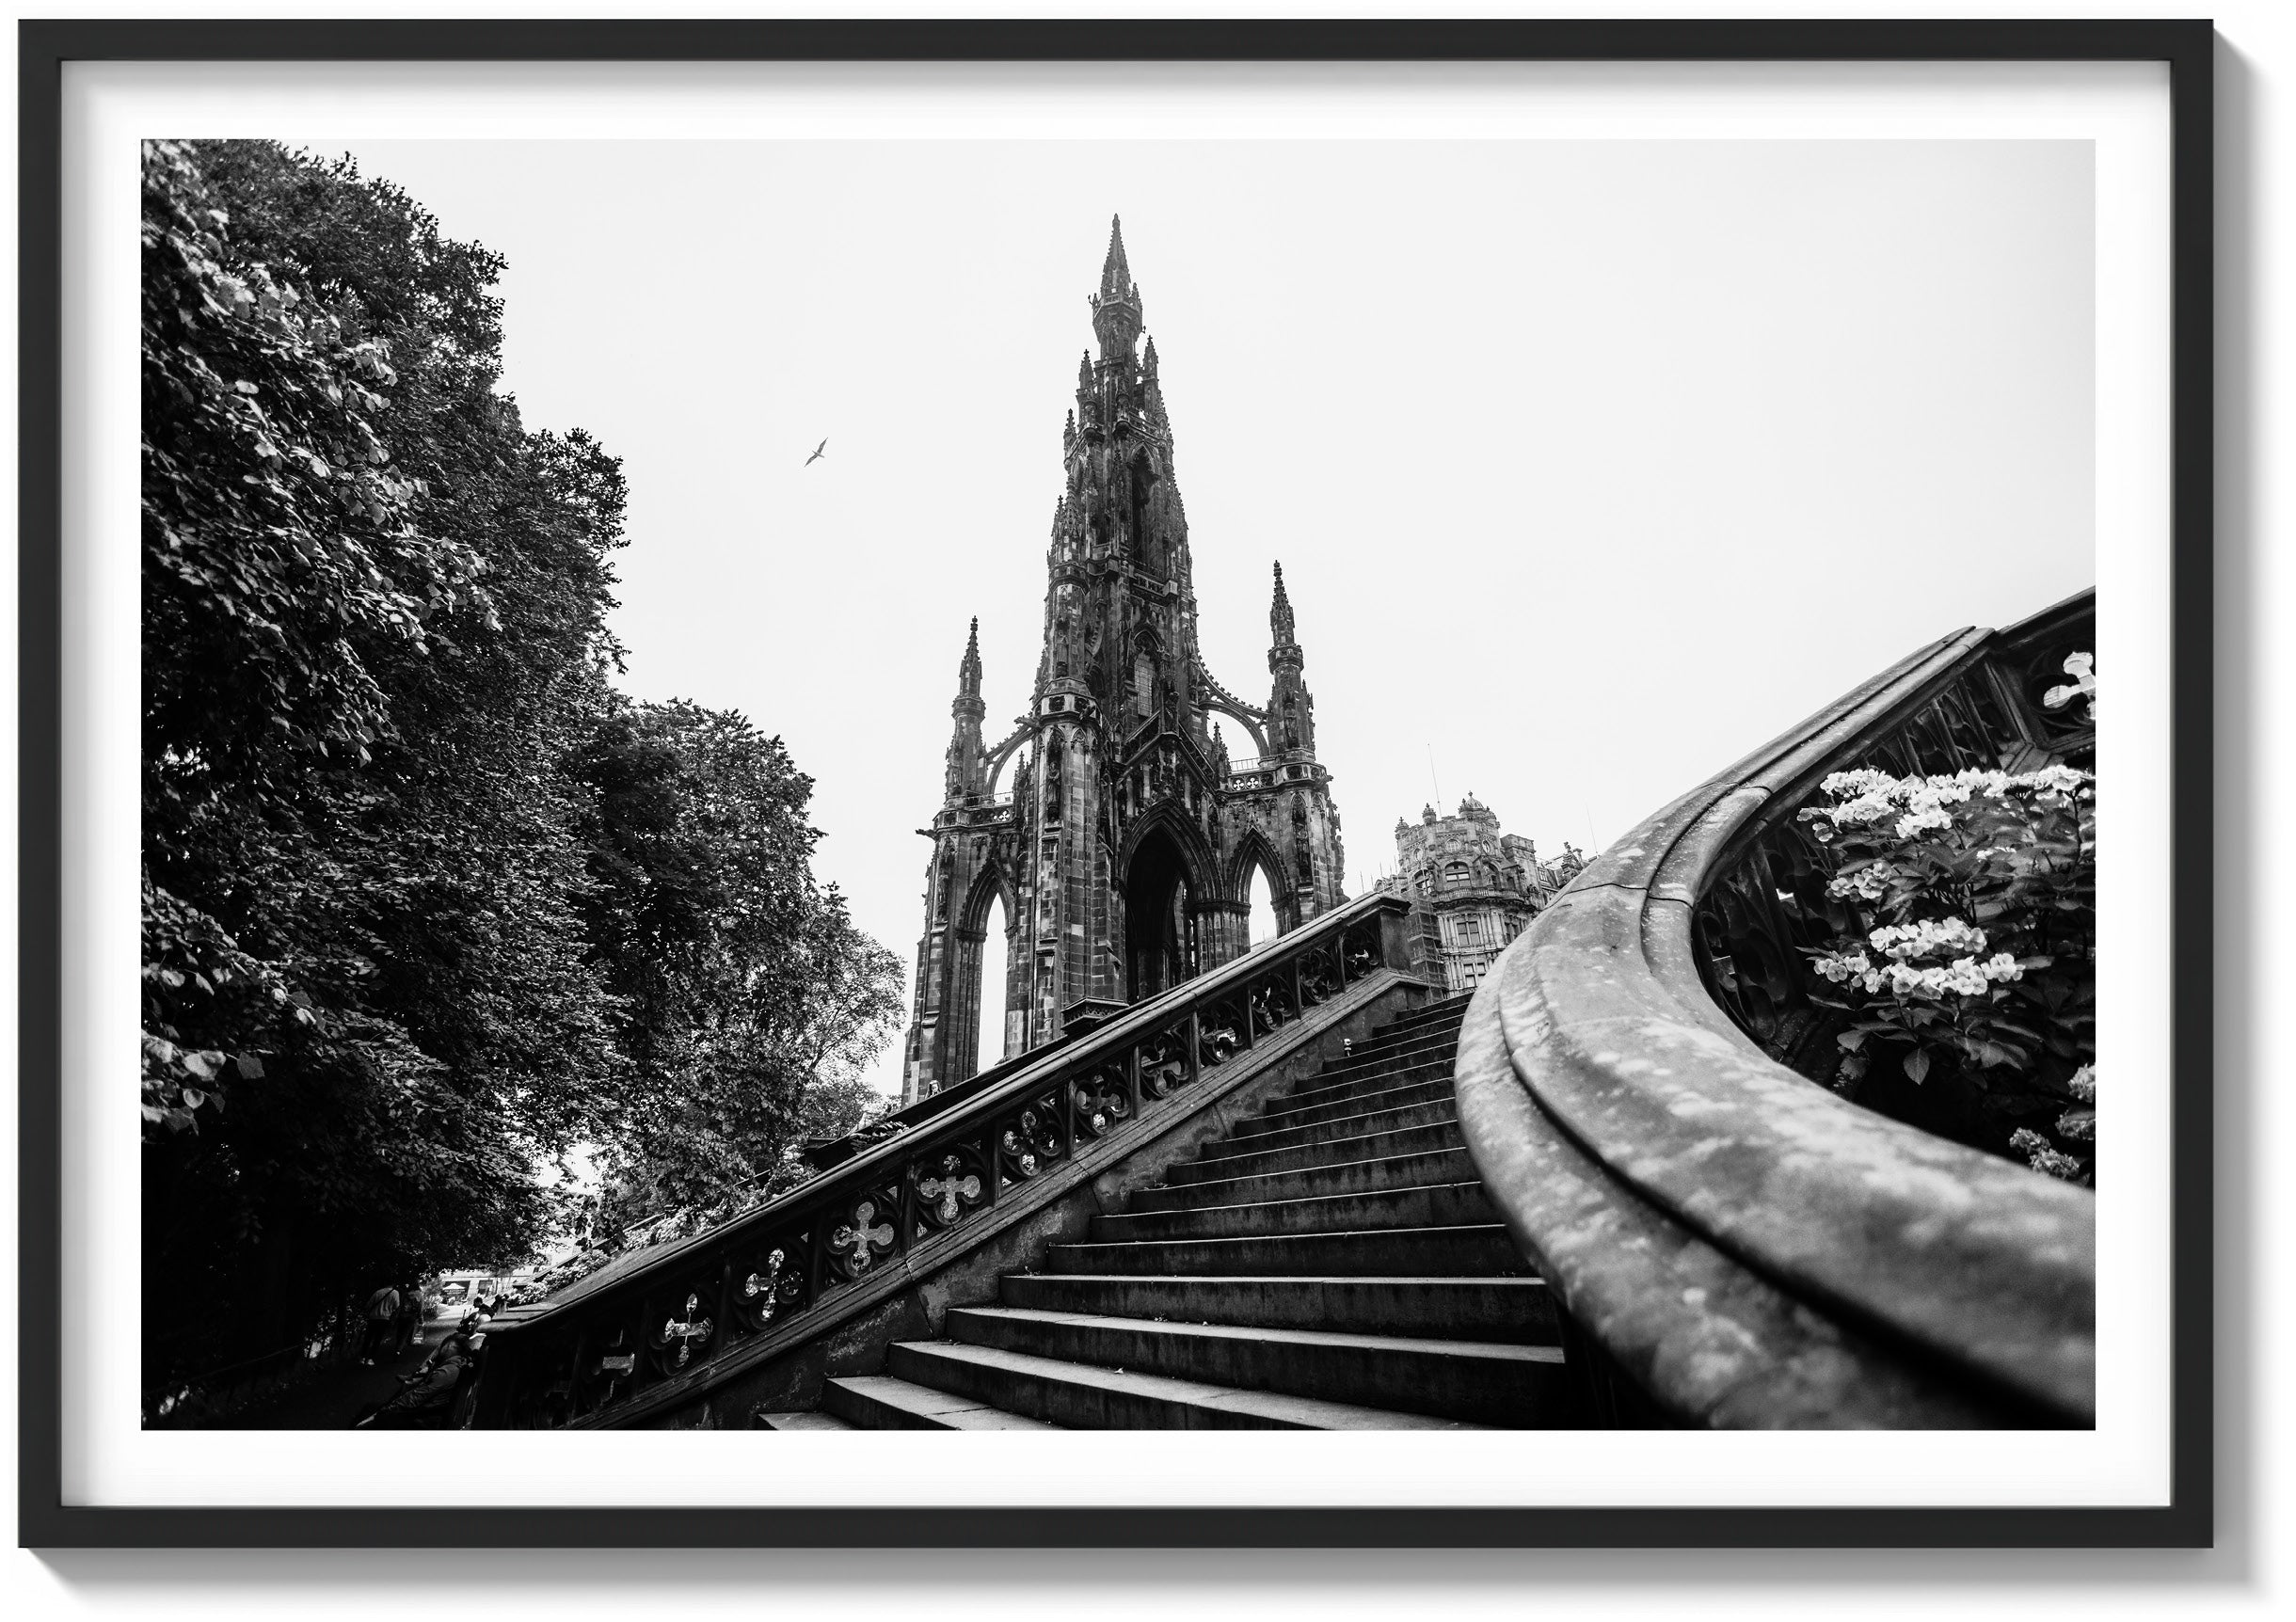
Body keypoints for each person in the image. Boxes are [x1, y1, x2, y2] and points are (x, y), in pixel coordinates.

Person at [353, 1332, 472, 1429]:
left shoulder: (447, 1372)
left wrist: (381, 1413)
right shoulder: (455, 1365)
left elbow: (413, 1399)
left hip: (423, 1417)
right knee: (374, 1409)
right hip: (428, 1412)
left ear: (450, 1347)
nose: (440, 1349)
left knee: (368, 1413)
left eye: (443, 1346)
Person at [358, 1281, 401, 1365]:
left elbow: (368, 1305)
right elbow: (397, 1306)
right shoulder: (395, 1293)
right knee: (377, 1339)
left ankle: (362, 1357)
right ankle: (370, 1358)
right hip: (384, 1319)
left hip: (373, 1318)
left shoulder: (378, 1292)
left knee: (368, 1338)